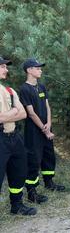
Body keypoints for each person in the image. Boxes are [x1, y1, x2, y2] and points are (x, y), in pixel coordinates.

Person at [19, 58, 65, 205]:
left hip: (46, 128)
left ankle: (49, 182)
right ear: (29, 70)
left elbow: (47, 106)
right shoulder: (24, 89)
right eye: (37, 68)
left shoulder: (41, 87)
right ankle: (31, 193)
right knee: (34, 160)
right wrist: (44, 129)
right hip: (34, 131)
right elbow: (31, 113)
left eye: (40, 68)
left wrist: (49, 124)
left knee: (48, 155)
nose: (40, 70)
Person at [0, 56, 37, 215]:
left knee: (19, 172)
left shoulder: (9, 90)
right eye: (2, 66)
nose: (6, 69)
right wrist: (14, 111)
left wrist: (10, 113)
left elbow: (23, 114)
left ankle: (17, 205)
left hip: (14, 138)